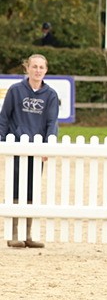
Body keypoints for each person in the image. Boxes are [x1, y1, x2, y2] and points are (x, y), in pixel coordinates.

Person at [0, 53, 60, 247]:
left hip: (37, 148)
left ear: (46, 70)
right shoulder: (15, 90)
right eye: (34, 66)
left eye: (41, 67)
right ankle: (13, 235)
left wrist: (48, 146)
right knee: (15, 190)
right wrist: (2, 142)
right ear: (27, 68)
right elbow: (4, 118)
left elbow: (52, 123)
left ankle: (28, 235)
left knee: (31, 191)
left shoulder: (50, 95)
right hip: (16, 146)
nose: (37, 70)